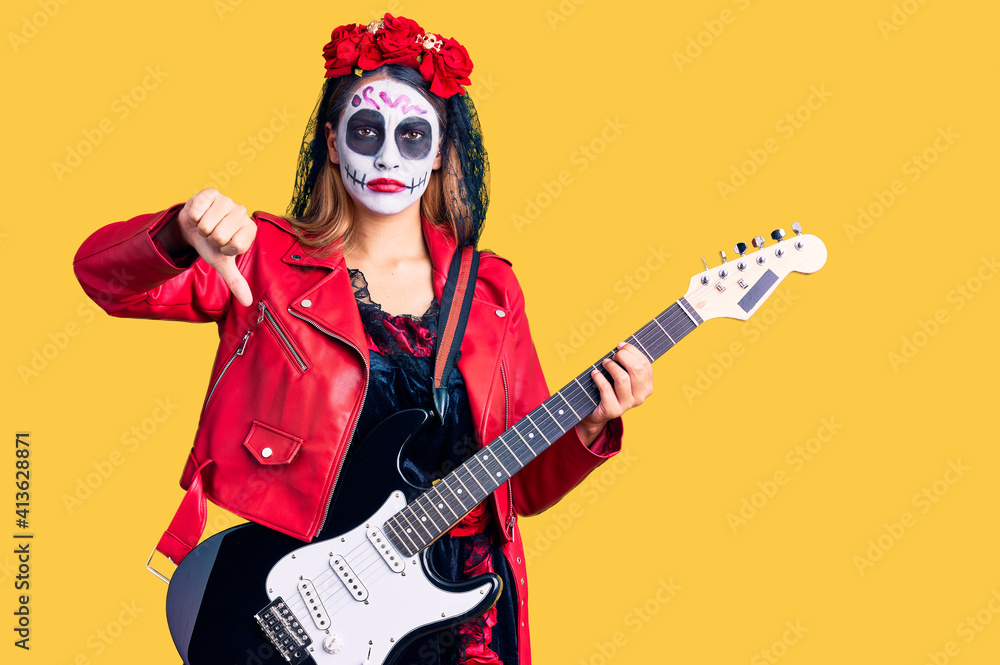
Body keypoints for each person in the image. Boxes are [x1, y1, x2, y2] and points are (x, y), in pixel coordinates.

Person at [73, 14, 653, 665]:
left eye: (410, 136)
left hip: (464, 609)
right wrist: (179, 231)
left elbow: (525, 486)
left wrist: (591, 425)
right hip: (312, 602)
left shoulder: (491, 290)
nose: (385, 155)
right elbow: (104, 279)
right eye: (367, 130)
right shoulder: (262, 258)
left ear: (437, 152)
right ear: (330, 140)